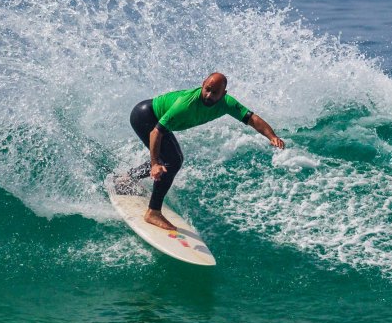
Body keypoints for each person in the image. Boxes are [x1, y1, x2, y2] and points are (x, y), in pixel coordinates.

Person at [117, 72, 285, 231]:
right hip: (145, 116)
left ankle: (128, 178)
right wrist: (154, 163)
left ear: (223, 93)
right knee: (171, 161)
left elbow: (252, 118)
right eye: (207, 89)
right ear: (203, 85)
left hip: (153, 117)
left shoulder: (227, 103)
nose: (209, 95)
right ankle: (153, 212)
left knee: (173, 159)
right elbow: (156, 133)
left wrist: (272, 136)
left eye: (215, 92)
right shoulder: (186, 104)